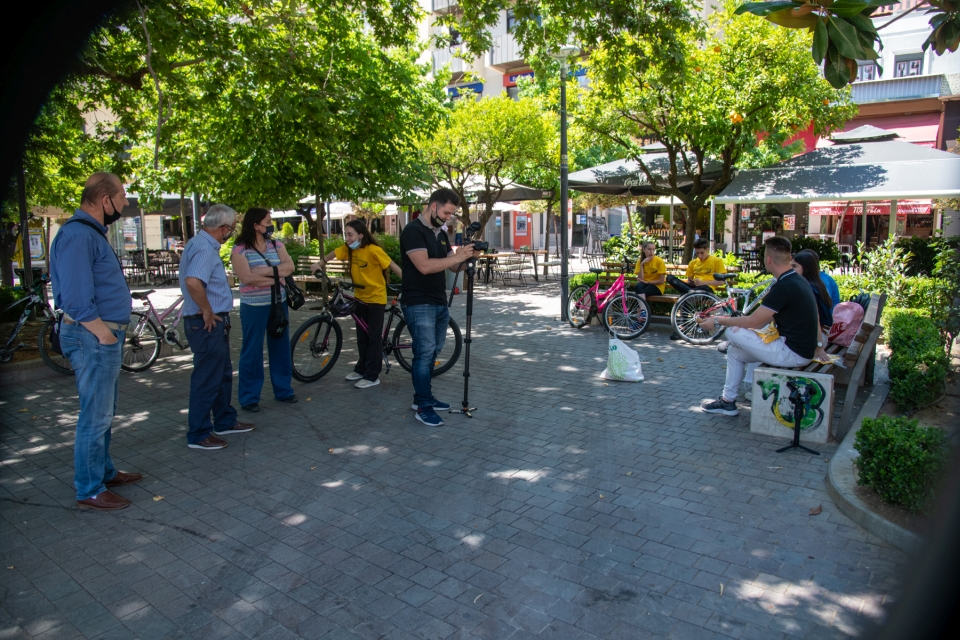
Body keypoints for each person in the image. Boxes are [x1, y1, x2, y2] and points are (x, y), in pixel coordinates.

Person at [50, 172, 140, 510]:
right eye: (122, 197)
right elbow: (75, 298)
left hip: (100, 336)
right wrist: (103, 334)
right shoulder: (77, 235)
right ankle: (89, 488)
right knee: (95, 415)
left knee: (104, 411)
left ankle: (103, 472)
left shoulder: (87, 234)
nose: (125, 203)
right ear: (106, 200)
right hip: (93, 337)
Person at [698, 236, 819, 416]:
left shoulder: (784, 286)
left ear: (768, 259)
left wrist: (717, 321)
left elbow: (753, 321)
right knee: (735, 352)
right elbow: (760, 320)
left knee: (732, 332)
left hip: (792, 352)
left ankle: (729, 344)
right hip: (798, 349)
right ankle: (727, 402)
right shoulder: (797, 280)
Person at [180, 205, 255, 449]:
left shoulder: (198, 244)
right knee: (207, 379)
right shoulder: (204, 248)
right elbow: (193, 282)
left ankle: (224, 420)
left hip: (211, 321)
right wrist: (207, 311)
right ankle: (199, 434)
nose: (231, 233)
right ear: (223, 228)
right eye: (231, 229)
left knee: (221, 374)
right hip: (206, 322)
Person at [399, 188, 475, 426]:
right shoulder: (412, 231)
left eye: (452, 214)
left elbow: (451, 267)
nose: (448, 218)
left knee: (433, 351)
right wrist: (456, 256)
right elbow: (424, 266)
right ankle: (422, 405)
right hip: (418, 301)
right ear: (433, 206)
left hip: (438, 301)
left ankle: (424, 396)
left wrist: (470, 259)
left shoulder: (440, 233)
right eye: (446, 212)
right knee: (423, 354)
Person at [312, 219, 402, 388]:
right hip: (360, 296)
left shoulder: (373, 250)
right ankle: (361, 369)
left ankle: (372, 375)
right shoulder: (350, 250)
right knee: (362, 336)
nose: (347, 238)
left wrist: (409, 282)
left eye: (350, 234)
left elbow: (392, 265)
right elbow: (334, 253)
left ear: (361, 235)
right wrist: (320, 263)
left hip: (376, 298)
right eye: (346, 234)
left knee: (374, 337)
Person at [231, 208, 297, 411]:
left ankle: (283, 390)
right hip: (253, 307)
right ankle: (249, 397)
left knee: (280, 347)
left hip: (278, 303)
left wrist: (266, 272)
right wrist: (278, 277)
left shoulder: (276, 245)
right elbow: (247, 278)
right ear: (255, 225)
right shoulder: (240, 249)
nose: (271, 225)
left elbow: (290, 267)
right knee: (252, 350)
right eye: (268, 221)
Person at [666, 238, 726, 339]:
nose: (700, 256)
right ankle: (690, 292)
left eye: (702, 253)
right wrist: (691, 282)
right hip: (694, 288)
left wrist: (704, 282)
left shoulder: (717, 261)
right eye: (697, 253)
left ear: (707, 249)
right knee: (670, 278)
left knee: (684, 296)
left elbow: (722, 281)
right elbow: (689, 279)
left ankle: (681, 329)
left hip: (707, 289)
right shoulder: (693, 263)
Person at [791, 250, 833, 361]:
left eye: (794, 266)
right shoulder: (816, 284)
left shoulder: (808, 288)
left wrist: (819, 347)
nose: (790, 270)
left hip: (814, 339)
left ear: (806, 268)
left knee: (761, 344)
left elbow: (815, 319)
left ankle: (750, 379)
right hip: (820, 335)